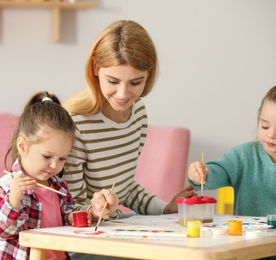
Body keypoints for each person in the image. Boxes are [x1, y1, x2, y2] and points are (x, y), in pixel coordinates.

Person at [63, 20, 195, 224]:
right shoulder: (75, 124)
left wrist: (166, 207)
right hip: (82, 234)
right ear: (95, 67)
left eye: (135, 82)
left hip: (114, 225)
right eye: (113, 81)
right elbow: (69, 207)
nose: (123, 94)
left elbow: (124, 187)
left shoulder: (138, 112)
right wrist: (96, 211)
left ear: (148, 75)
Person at [188, 84, 276, 260]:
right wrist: (201, 174)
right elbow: (220, 171)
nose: (271, 135)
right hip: (244, 251)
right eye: (265, 126)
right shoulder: (244, 154)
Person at [0, 91, 91, 260]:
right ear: (23, 146)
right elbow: (0, 231)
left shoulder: (59, 187)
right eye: (47, 156)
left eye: (62, 158)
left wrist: (77, 217)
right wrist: (13, 200)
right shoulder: (4, 187)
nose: (55, 165)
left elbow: (65, 218)